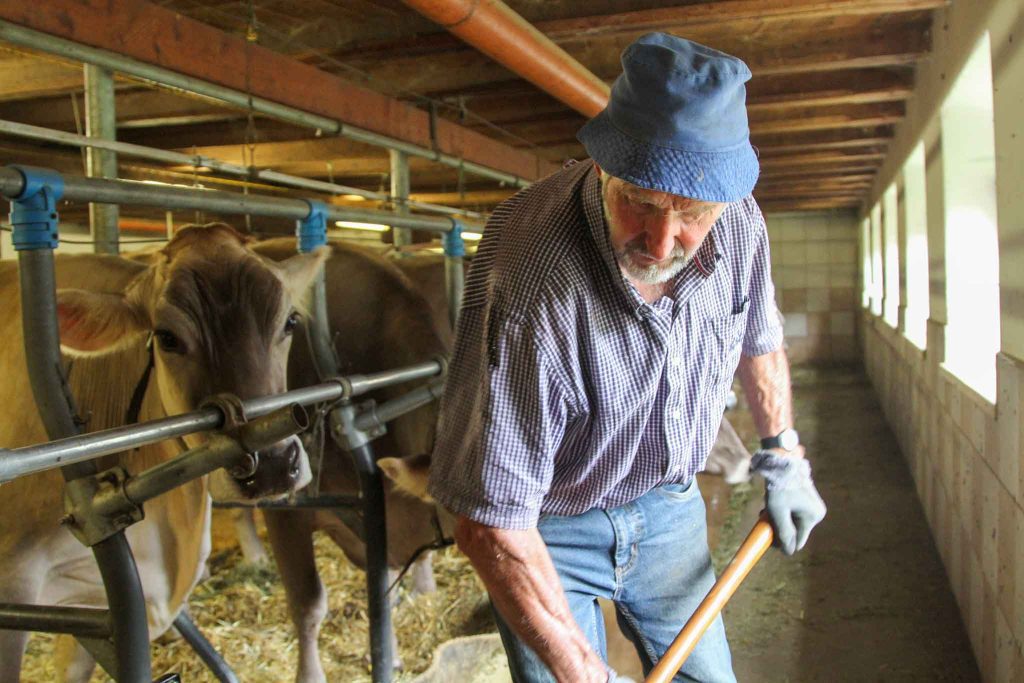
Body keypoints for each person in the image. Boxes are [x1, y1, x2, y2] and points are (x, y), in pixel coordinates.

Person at [428, 33, 826, 683]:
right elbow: (489, 524)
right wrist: (586, 672)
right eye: (640, 202)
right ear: (605, 165)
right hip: (543, 529)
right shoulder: (531, 279)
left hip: (669, 506)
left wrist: (782, 449)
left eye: (692, 213)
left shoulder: (740, 221)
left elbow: (759, 334)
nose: (663, 239)